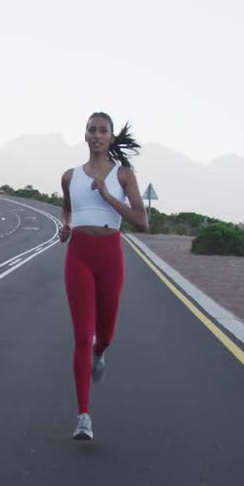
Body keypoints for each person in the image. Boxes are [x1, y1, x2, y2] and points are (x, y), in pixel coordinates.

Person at [58, 112, 148, 440]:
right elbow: (67, 208)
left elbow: (142, 220)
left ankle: (101, 353)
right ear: (84, 136)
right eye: (91, 130)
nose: (96, 135)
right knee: (82, 336)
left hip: (111, 256)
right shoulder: (70, 176)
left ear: (110, 138)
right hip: (78, 256)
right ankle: (84, 416)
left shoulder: (123, 176)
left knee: (104, 334)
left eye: (103, 131)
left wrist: (108, 196)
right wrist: (65, 225)